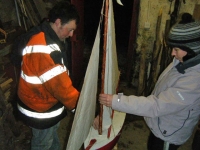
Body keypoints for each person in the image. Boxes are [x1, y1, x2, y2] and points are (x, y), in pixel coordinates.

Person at [93, 13, 200, 150]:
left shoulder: (194, 81)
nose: (172, 53)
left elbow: (156, 106)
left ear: (191, 49)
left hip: (168, 133)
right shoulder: (183, 61)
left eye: (176, 49)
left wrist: (115, 101)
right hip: (162, 123)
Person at [16, 1, 80, 150]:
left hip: (43, 101)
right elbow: (62, 88)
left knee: (51, 138)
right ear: (58, 23)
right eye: (70, 30)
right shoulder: (44, 49)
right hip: (39, 109)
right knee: (42, 143)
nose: (71, 35)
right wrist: (83, 110)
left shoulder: (47, 35)